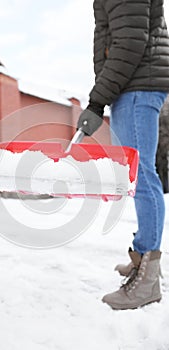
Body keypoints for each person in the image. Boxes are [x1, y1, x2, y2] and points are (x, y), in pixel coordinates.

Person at [77, 0, 169, 310]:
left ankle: (149, 280)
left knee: (143, 176)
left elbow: (130, 41)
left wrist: (96, 101)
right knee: (138, 175)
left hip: (137, 84)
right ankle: (143, 257)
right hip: (133, 84)